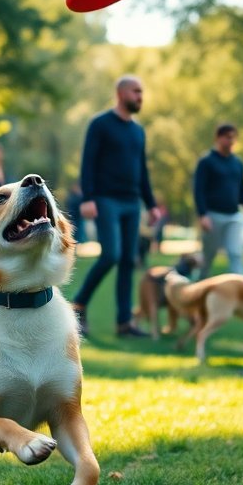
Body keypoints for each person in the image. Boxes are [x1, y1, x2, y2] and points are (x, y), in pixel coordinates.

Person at [70, 75, 164, 337]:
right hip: (105, 199)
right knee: (111, 255)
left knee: (128, 261)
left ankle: (124, 323)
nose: (140, 96)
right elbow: (88, 162)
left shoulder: (138, 131)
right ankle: (79, 304)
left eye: (141, 92)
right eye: (136, 91)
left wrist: (151, 204)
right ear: (121, 93)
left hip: (132, 202)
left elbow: (142, 170)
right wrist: (88, 198)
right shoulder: (100, 124)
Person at [194, 124, 243, 277]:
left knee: (236, 253)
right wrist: (202, 214)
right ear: (218, 138)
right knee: (208, 255)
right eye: (228, 137)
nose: (231, 141)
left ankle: (240, 286)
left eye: (233, 137)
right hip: (213, 216)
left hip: (234, 216)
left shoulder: (237, 163)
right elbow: (198, 190)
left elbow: (242, 189)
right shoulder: (206, 161)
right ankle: (200, 284)